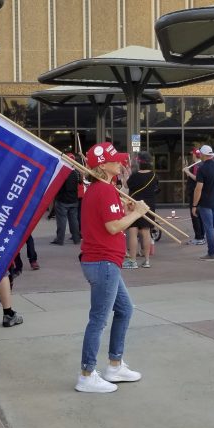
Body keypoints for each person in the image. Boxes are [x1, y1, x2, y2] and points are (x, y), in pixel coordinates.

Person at [76, 142, 145, 394]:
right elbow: (114, 227)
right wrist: (136, 213)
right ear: (103, 165)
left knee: (125, 309)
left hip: (105, 262)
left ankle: (115, 365)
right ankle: (86, 374)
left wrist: (127, 208)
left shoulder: (104, 189)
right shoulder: (103, 190)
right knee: (98, 320)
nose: (121, 163)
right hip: (103, 263)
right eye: (115, 160)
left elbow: (112, 220)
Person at [192, 144, 214, 261]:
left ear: (202, 154)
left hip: (206, 202)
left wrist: (194, 205)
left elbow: (198, 189)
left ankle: (211, 253)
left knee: (209, 228)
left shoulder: (202, 168)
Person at [125, 151, 160, 269]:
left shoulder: (134, 175)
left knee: (133, 232)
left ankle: (133, 261)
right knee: (146, 233)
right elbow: (156, 188)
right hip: (148, 205)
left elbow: (126, 186)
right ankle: (147, 261)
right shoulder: (154, 175)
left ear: (139, 161)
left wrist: (126, 174)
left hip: (134, 205)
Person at [50, 155, 81, 247]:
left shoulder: (62, 172)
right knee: (74, 220)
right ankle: (76, 238)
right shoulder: (76, 173)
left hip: (62, 200)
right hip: (73, 199)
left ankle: (60, 239)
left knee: (61, 221)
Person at [184, 149, 206, 244]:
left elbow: (197, 179)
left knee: (195, 215)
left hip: (195, 193)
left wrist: (187, 172)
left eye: (192, 154)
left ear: (195, 155)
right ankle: (201, 236)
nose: (191, 156)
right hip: (197, 193)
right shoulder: (200, 164)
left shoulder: (197, 165)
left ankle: (199, 237)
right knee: (199, 215)